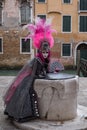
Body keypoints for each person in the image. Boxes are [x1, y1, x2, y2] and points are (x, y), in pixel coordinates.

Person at [3, 17, 56, 123]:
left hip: (33, 78)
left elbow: (45, 70)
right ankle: (22, 115)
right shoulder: (37, 60)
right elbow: (36, 74)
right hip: (29, 80)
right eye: (43, 52)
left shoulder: (45, 60)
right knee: (26, 95)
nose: (45, 54)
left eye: (46, 52)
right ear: (40, 51)